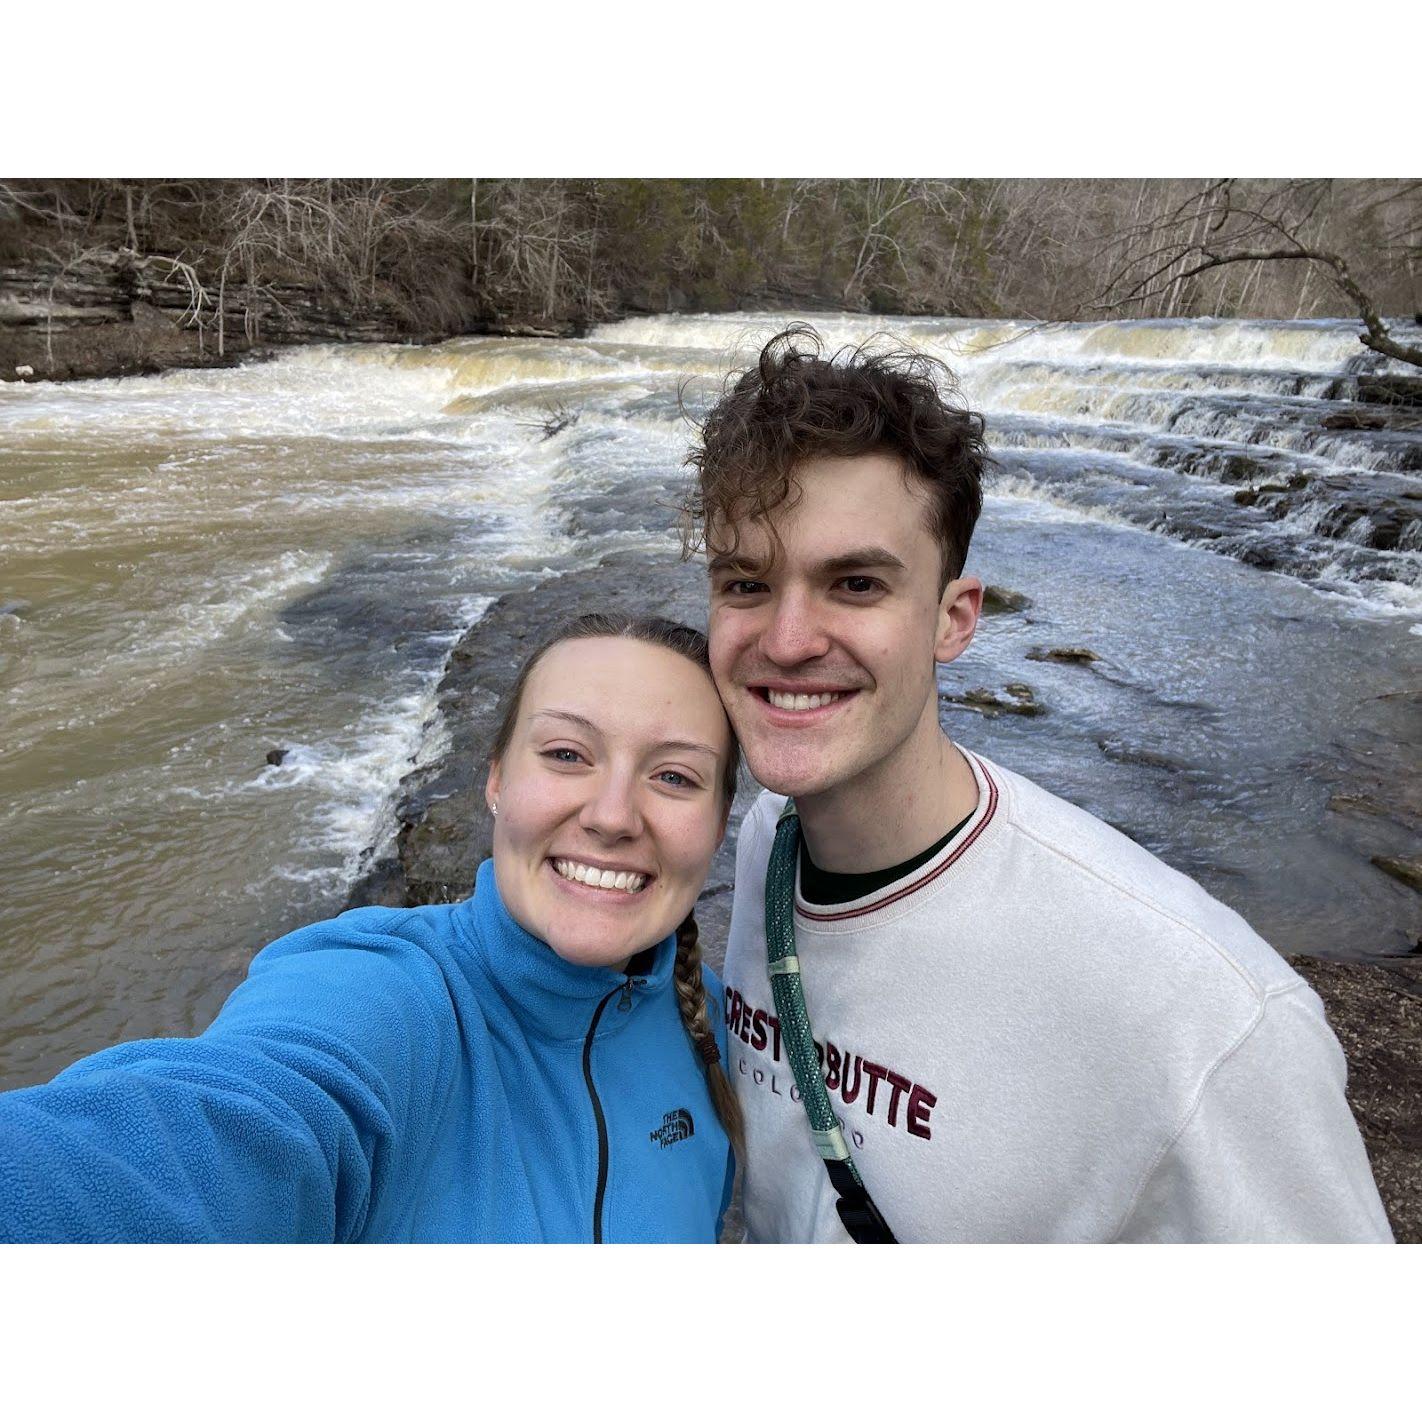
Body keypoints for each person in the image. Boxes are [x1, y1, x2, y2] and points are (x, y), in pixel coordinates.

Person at [687, 325, 1392, 1243]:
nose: (786, 641)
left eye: (855, 584)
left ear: (953, 618)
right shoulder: (767, 833)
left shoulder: (1203, 1019)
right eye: (746, 584)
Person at [0, 614, 741, 1242]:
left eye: (675, 776)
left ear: (718, 823)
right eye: (566, 755)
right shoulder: (384, 998)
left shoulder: (713, 1026)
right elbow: (197, 1139)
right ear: (494, 780)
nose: (612, 815)